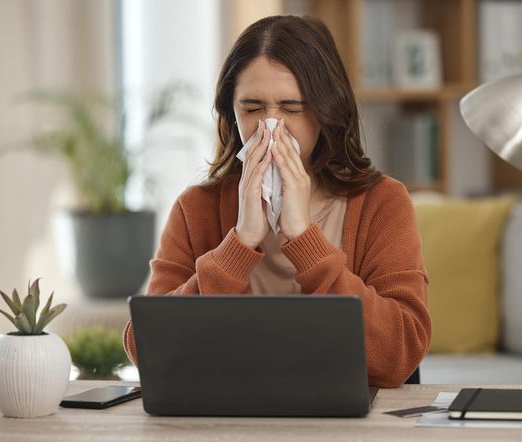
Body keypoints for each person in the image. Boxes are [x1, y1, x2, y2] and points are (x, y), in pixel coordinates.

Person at [123, 15, 431, 388]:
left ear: (325, 112)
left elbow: (400, 354)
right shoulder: (195, 209)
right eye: (252, 109)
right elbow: (148, 352)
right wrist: (238, 244)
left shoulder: (383, 202)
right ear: (230, 114)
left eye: (292, 108)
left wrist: (305, 239)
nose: (272, 127)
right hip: (225, 418)